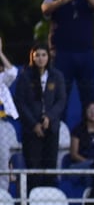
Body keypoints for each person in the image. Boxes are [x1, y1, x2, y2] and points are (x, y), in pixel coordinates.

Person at [41, 0, 94, 111]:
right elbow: (44, 9)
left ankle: (89, 124)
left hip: (85, 53)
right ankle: (58, 124)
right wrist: (61, 1)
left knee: (89, 95)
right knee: (60, 95)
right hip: (62, 54)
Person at [14, 43, 67, 191]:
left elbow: (61, 100)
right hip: (31, 131)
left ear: (48, 57)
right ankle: (33, 201)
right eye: (37, 55)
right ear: (32, 57)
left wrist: (49, 117)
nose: (40, 58)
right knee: (34, 169)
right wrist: (34, 124)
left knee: (50, 168)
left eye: (44, 55)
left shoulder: (57, 76)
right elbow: (20, 102)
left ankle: (48, 200)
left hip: (51, 128)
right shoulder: (25, 76)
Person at [0, 38, 19, 193]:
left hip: (1, 126)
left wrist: (0, 52)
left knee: (3, 160)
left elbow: (12, 72)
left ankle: (2, 197)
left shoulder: (1, 81)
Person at [69, 101, 94, 167]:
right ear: (85, 112)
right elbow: (74, 154)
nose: (93, 112)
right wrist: (89, 163)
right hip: (80, 163)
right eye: (90, 109)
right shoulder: (77, 130)